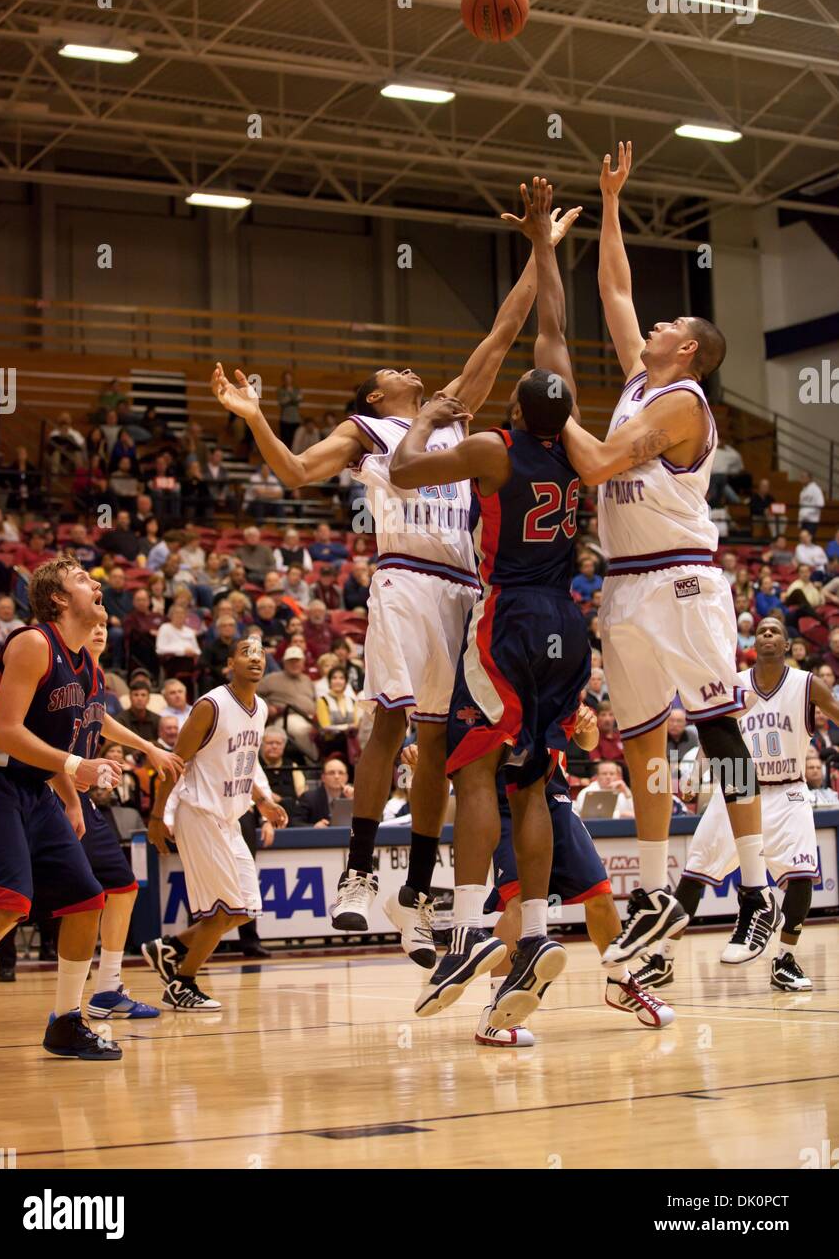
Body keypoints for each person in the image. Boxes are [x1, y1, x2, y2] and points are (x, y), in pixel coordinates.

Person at [211, 199, 549, 966]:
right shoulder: (368, 432)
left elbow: (505, 327)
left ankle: (419, 895)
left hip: (464, 588)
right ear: (374, 397)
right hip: (405, 580)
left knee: (439, 744)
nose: (408, 368)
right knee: (392, 723)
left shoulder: (451, 418)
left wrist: (540, 247)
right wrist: (255, 416)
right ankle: (360, 871)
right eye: (392, 370)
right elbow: (295, 473)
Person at [560, 141, 778, 965]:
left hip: (682, 580)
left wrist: (551, 416)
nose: (652, 324)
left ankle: (754, 893)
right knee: (643, 741)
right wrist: (612, 199)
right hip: (623, 585)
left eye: (668, 325)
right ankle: (654, 893)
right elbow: (613, 289)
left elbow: (606, 461)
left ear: (687, 350)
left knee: (719, 733)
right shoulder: (637, 382)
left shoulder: (682, 404)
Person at [390, 177, 591, 1020]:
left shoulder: (491, 449)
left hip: (505, 618)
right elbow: (552, 327)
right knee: (535, 782)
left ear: (512, 406)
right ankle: (536, 927)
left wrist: (427, 416)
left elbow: (402, 474)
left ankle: (471, 928)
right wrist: (545, 244)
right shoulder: (579, 447)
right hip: (569, 627)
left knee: (474, 768)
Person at [636, 616, 839, 992]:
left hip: (789, 790)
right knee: (694, 874)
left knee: (801, 875)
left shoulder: (808, 685)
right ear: (753, 642)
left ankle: (784, 959)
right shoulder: (733, 685)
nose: (766, 634)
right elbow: (714, 737)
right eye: (761, 629)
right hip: (737, 788)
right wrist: (695, 779)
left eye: (775, 630)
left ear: (787, 644)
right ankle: (663, 958)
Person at [0, 558, 125, 1056]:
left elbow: (48, 740)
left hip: (35, 788)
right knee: (6, 902)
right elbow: (7, 733)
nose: (96, 582)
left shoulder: (85, 664)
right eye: (82, 579)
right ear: (58, 599)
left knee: (86, 899)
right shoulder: (33, 643)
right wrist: (76, 765)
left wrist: (70, 797)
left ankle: (65, 1021)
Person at [475, 704, 672, 1046]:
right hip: (505, 799)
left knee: (599, 895)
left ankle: (620, 982)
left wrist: (588, 724)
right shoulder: (497, 674)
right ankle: (497, 1009)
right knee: (518, 902)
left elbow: (588, 739)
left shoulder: (561, 674)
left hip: (556, 799)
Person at [142, 637, 287, 1010]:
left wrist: (263, 800)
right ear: (229, 663)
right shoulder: (212, 705)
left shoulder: (262, 709)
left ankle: (170, 948)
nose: (255, 658)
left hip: (231, 818)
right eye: (246, 652)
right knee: (223, 911)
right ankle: (182, 984)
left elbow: (244, 763)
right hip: (200, 814)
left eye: (260, 653)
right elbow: (175, 763)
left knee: (242, 911)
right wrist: (158, 816)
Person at [61, 622, 184, 1020]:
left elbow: (102, 722)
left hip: (75, 794)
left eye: (103, 626)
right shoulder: (64, 669)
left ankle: (108, 987)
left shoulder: (95, 677)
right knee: (10, 899)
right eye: (92, 624)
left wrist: (148, 746)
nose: (98, 630)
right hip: (48, 791)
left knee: (122, 886)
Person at [256, 646, 318, 759]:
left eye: (297, 661)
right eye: (291, 661)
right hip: (287, 717)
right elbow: (254, 694)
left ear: (303, 662)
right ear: (284, 662)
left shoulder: (307, 680)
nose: (294, 664)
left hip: (310, 717)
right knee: (302, 731)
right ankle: (314, 763)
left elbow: (314, 700)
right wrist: (267, 706)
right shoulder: (272, 679)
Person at [277, 370, 302, 449]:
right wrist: (293, 398)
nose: (288, 380)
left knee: (295, 441)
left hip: (295, 418)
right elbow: (282, 402)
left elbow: (299, 400)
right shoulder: (280, 390)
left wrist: (289, 396)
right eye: (286, 378)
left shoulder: (296, 389)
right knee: (284, 440)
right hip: (285, 418)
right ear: (283, 379)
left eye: (289, 378)